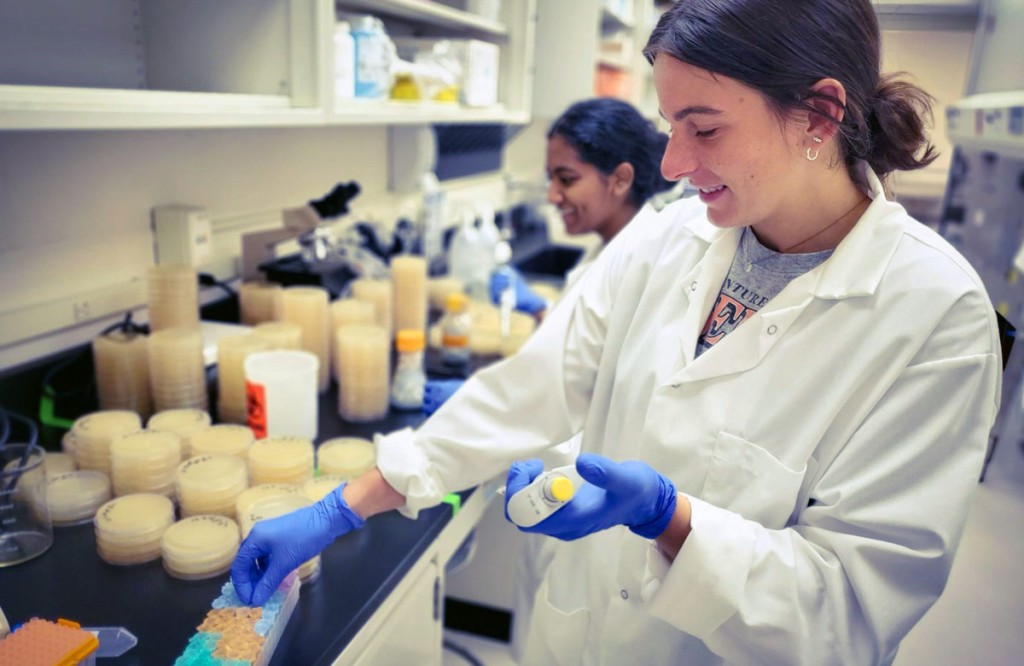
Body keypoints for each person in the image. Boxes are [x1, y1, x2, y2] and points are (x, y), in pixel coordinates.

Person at [231, 1, 1002, 664]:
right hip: (577, 635)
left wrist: (669, 517)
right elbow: (532, 388)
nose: (672, 161)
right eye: (670, 125)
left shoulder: (934, 315)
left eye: (703, 128)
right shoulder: (670, 235)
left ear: (820, 114)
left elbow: (848, 617)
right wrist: (344, 506)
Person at [490, 96, 677, 318]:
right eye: (551, 179)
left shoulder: (639, 265)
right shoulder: (615, 246)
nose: (552, 196)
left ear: (620, 179)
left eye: (567, 179)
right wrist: (542, 309)